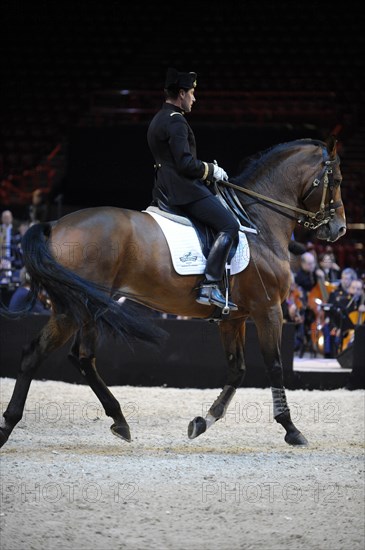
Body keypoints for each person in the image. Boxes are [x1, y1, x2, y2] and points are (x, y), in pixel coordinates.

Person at [147, 68, 240, 310]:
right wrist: (212, 170)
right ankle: (210, 284)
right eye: (192, 93)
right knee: (230, 225)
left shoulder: (158, 119)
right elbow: (186, 164)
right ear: (181, 93)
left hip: (162, 189)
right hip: (184, 190)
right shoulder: (177, 122)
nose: (194, 99)